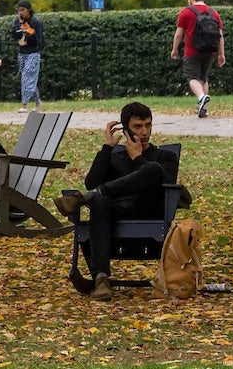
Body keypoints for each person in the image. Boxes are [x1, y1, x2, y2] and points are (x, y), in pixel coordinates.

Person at [56, 102, 181, 302]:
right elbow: (91, 181)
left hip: (148, 209)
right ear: (125, 130)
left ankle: (88, 197)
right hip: (117, 212)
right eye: (137, 127)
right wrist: (107, 148)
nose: (144, 132)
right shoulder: (115, 157)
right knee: (100, 202)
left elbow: (167, 184)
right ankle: (101, 279)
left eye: (148, 125)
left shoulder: (165, 156)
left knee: (154, 170)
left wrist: (139, 159)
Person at [171, 0, 224, 118]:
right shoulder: (214, 13)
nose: (188, 1)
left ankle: (201, 98)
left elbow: (178, 34)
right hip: (210, 51)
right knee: (203, 78)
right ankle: (203, 108)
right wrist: (221, 54)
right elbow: (220, 36)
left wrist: (175, 49)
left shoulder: (186, 12)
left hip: (192, 50)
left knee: (192, 77)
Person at [13, 2, 44, 109]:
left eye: (22, 10)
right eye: (18, 10)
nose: (20, 13)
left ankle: (24, 105)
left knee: (26, 76)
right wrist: (20, 27)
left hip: (33, 53)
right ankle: (38, 101)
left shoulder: (35, 22)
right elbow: (14, 35)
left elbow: (39, 41)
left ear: (28, 10)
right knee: (29, 78)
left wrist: (29, 33)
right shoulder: (17, 22)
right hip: (22, 53)